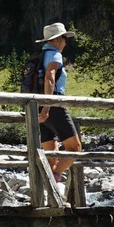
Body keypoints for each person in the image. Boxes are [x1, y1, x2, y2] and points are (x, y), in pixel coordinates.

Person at [36, 22, 82, 183]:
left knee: (50, 155)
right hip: (52, 105)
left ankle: (49, 196)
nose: (65, 42)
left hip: (38, 105)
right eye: (64, 38)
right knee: (75, 148)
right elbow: (50, 77)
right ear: (56, 39)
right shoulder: (54, 54)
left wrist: (42, 108)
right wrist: (48, 107)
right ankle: (54, 178)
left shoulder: (39, 55)